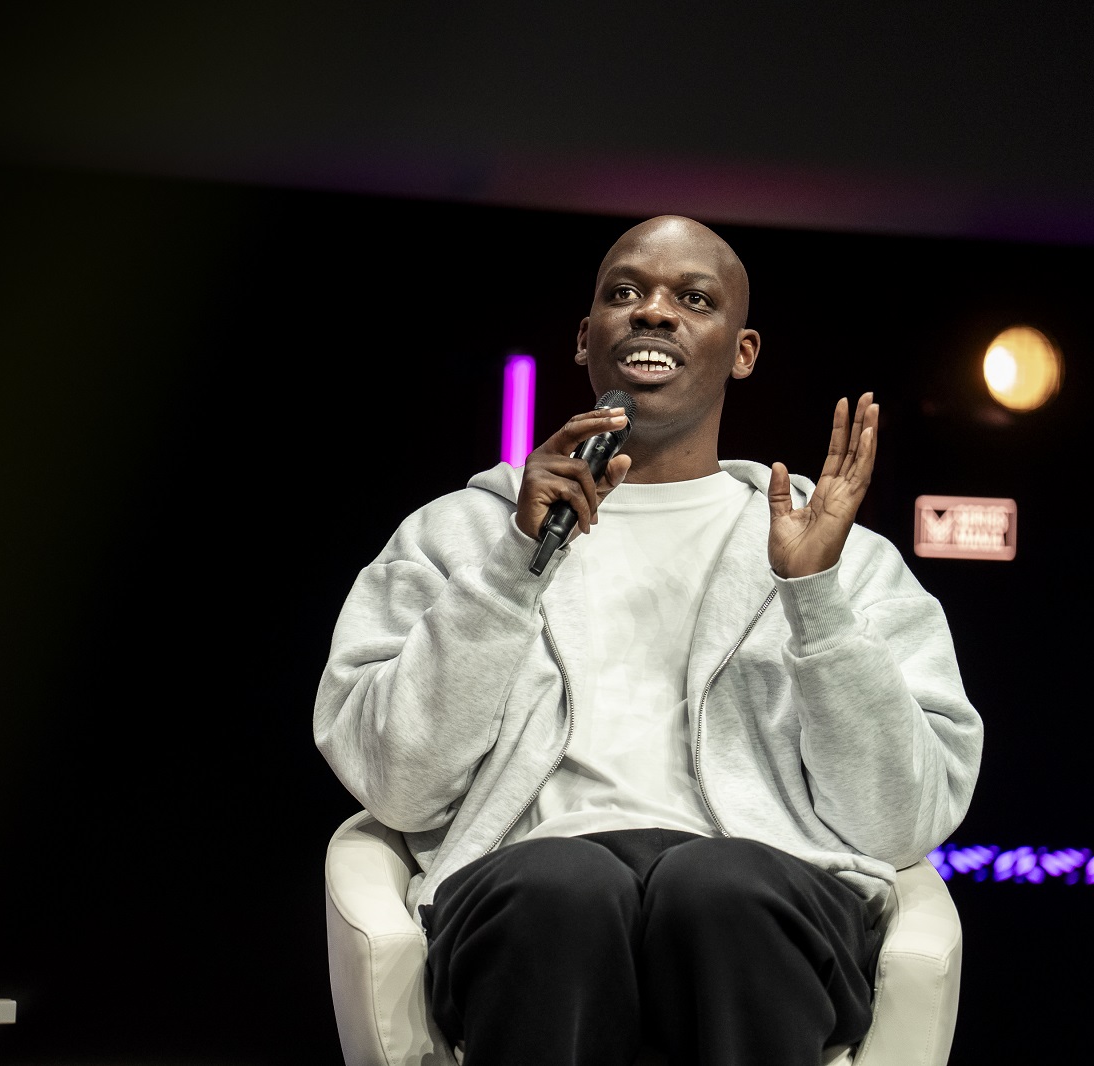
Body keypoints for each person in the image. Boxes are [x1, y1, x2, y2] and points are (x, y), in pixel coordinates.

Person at [312, 215, 983, 1066]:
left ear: (743, 351)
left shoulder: (839, 555)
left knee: (721, 885)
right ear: (585, 338)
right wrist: (510, 569)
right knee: (563, 884)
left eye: (693, 299)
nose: (654, 312)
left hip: (763, 896)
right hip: (527, 888)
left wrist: (814, 602)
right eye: (624, 293)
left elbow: (902, 821)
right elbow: (396, 784)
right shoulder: (458, 535)